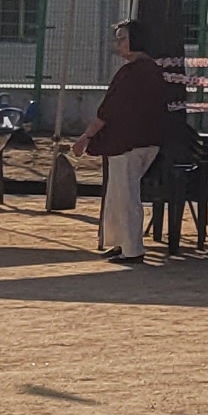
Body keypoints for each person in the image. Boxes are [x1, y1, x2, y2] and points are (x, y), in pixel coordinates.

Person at [80, 23, 173, 267]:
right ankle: (120, 243)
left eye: (122, 39)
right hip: (145, 142)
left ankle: (131, 248)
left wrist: (87, 136)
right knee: (118, 195)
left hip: (127, 143)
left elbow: (109, 109)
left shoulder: (132, 73)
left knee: (125, 196)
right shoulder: (152, 71)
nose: (118, 45)